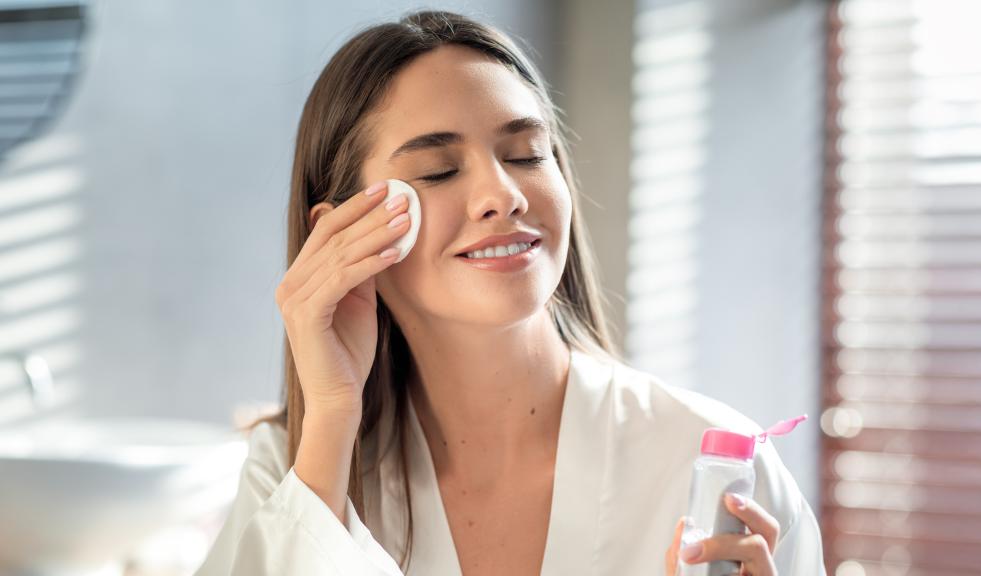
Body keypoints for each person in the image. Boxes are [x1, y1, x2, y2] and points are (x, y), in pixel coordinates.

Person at [195, 9, 826, 576]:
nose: (504, 195)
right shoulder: (292, 467)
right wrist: (332, 415)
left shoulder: (712, 469)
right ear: (341, 234)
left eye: (526, 154)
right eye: (438, 171)